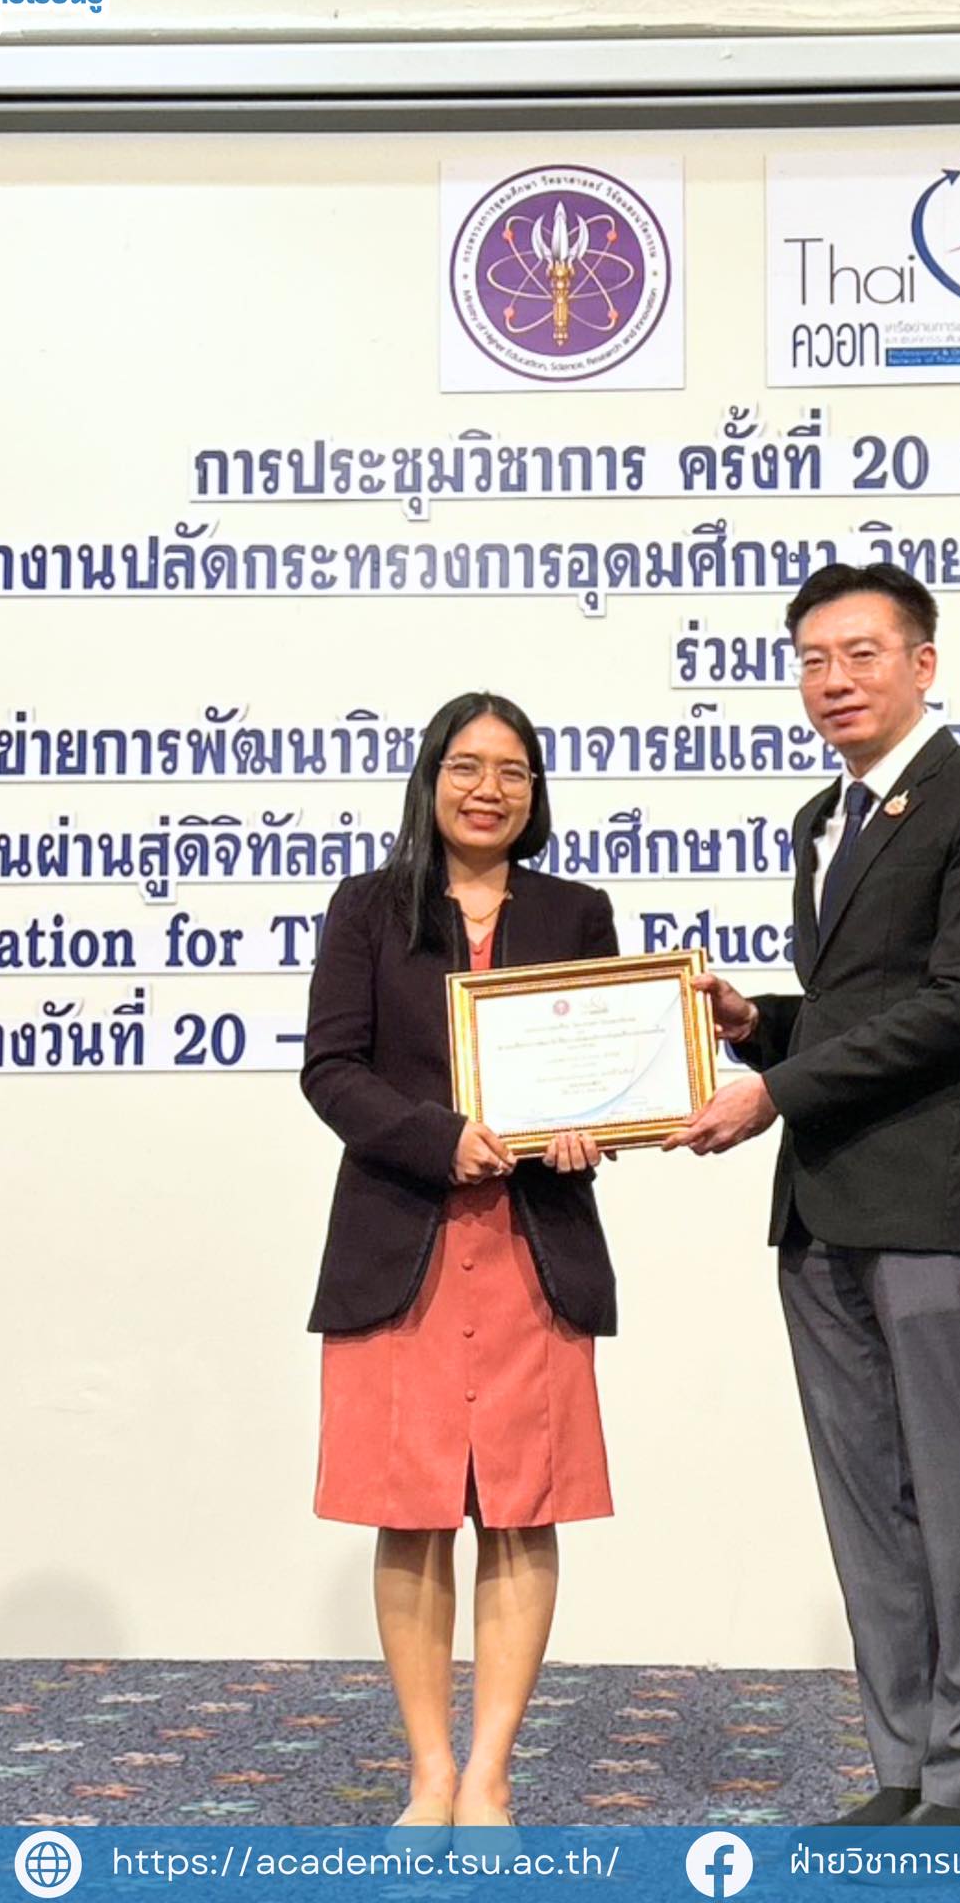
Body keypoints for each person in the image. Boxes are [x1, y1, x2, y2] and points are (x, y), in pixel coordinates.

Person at [667, 564, 960, 1827]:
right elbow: (858, 1003)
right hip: (820, 1203)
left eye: (860, 653)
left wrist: (774, 1090)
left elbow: (959, 1003)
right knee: (866, 1501)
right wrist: (757, 1023)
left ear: (921, 663)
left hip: (928, 1198)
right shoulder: (818, 817)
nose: (832, 680)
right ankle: (907, 1761)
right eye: (811, 659)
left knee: (957, 1493)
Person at [299, 691, 619, 1830]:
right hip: (406, 1239)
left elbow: (602, 1069)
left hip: (532, 1243)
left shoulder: (577, 911)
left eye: (514, 771)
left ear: (537, 793)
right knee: (414, 1509)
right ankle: (430, 1770)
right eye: (468, 766)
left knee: (522, 1511)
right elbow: (331, 1069)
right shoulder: (367, 906)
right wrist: (440, 1139)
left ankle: (489, 1774)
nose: (489, 789)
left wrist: (590, 1127)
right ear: (431, 777)